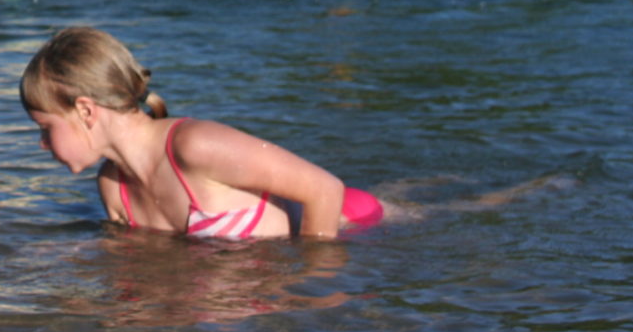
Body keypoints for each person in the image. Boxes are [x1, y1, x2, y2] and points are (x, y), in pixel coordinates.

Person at [19, 26, 383, 240]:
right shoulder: (114, 188)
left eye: (46, 128)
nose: (41, 143)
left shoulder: (195, 146)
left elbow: (324, 189)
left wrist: (315, 289)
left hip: (357, 220)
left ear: (85, 110)